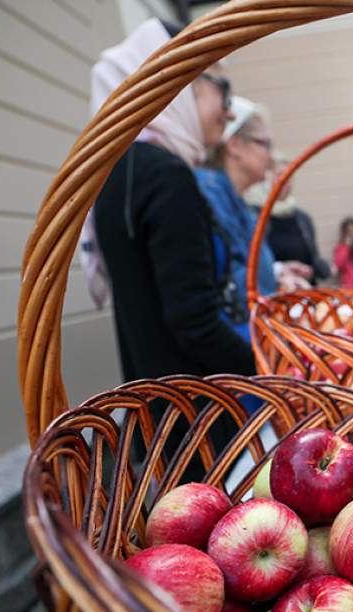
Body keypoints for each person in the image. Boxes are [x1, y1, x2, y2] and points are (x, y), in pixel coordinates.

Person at [90, 19, 256, 386]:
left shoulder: (119, 171)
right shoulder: (166, 175)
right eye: (223, 91)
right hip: (192, 415)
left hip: (152, 407)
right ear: (180, 83)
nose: (229, 113)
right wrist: (270, 369)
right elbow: (194, 322)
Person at [195, 97, 283, 343]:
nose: (272, 156)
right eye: (264, 144)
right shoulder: (209, 194)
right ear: (234, 145)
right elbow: (229, 282)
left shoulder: (236, 202)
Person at [246, 158, 331, 285]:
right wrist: (280, 269)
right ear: (268, 178)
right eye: (280, 175)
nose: (285, 180)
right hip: (273, 293)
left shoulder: (302, 219)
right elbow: (251, 262)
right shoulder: (256, 216)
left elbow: (313, 257)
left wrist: (318, 269)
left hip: (303, 292)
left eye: (290, 176)